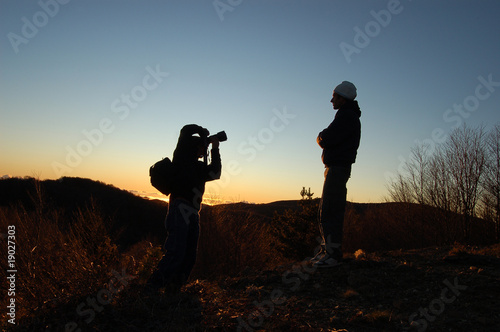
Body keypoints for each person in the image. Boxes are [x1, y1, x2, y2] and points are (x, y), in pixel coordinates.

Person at [147, 124, 222, 291]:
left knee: (189, 256)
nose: (204, 150)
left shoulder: (199, 167)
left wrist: (215, 148)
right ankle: (151, 289)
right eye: (203, 147)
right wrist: (202, 132)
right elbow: (186, 130)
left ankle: (173, 290)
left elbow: (215, 172)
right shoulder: (181, 157)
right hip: (180, 208)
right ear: (194, 146)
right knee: (176, 252)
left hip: (194, 212)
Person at [311, 81, 361, 268]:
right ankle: (328, 251)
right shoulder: (347, 115)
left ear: (343, 98)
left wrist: (320, 137)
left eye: (335, 96)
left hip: (338, 168)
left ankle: (333, 255)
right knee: (327, 209)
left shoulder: (346, 116)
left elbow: (326, 138)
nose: (331, 100)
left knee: (330, 210)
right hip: (336, 167)